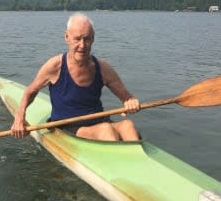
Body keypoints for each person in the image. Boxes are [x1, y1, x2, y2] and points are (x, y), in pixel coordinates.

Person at [10, 13, 141, 141]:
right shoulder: (55, 66)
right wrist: (20, 117)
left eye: (87, 39)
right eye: (77, 39)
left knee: (128, 126)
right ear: (67, 37)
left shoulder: (102, 68)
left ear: (93, 38)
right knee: (106, 131)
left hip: (99, 121)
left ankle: (137, 158)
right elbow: (30, 91)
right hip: (68, 125)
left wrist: (131, 102)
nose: (82, 45)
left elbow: (127, 97)